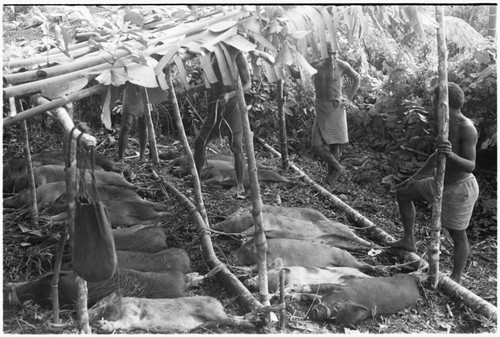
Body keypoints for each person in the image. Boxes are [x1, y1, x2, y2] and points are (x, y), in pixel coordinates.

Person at [388, 82, 479, 285]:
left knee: (457, 234)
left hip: (459, 189)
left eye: (433, 100)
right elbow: (437, 154)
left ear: (442, 102)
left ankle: (456, 278)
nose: (431, 103)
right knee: (404, 192)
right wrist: (415, 177)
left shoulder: (467, 129)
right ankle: (408, 240)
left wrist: (451, 154)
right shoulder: (444, 123)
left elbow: (470, 165)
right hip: (438, 182)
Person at [193, 45, 251, 195]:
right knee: (200, 142)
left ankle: (239, 185)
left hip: (233, 105)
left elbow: (247, 84)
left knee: (236, 145)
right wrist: (193, 89)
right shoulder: (211, 55)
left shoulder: (237, 53)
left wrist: (230, 95)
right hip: (216, 104)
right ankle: (197, 180)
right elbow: (211, 85)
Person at [305, 43, 360, 184]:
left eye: (335, 53)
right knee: (316, 145)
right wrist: (288, 60)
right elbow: (295, 74)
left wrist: (349, 99)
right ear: (323, 52)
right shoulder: (315, 65)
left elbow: (357, 78)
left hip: (336, 107)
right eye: (329, 53)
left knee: (334, 144)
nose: (332, 56)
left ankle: (331, 178)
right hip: (321, 107)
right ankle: (339, 168)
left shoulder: (342, 65)